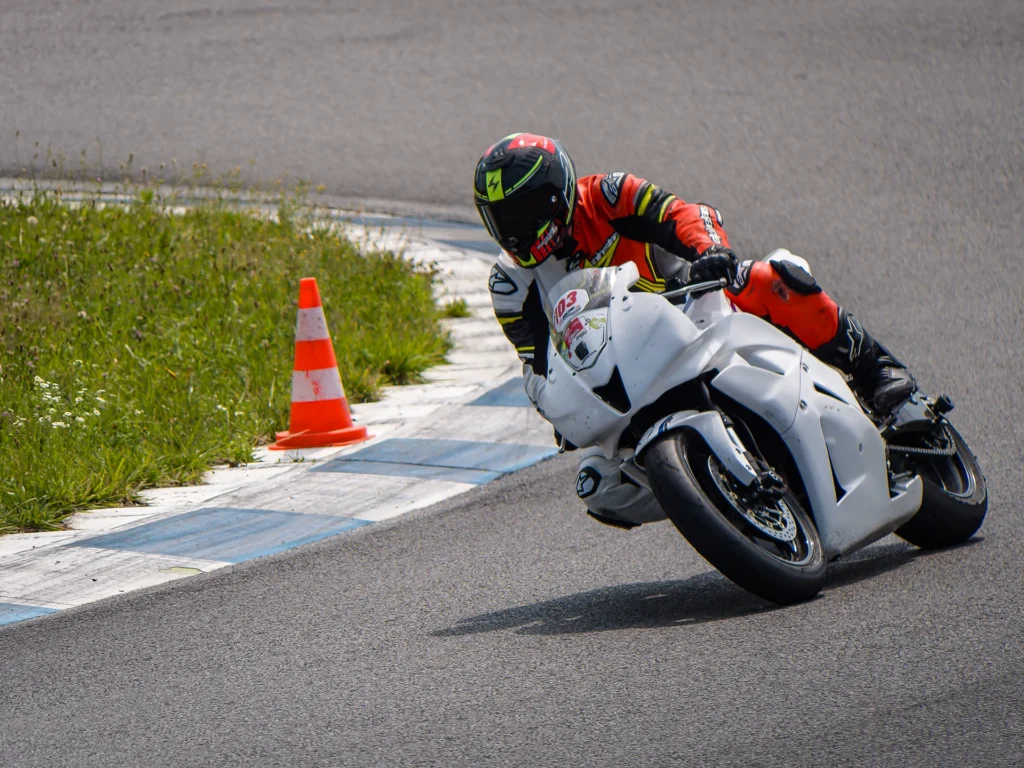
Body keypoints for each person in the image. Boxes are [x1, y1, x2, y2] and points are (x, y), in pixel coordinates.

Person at [475, 133, 916, 527]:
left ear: (559, 195)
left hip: (688, 308)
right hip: (618, 379)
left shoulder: (608, 195)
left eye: (525, 214)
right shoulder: (510, 285)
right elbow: (535, 363)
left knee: (769, 279)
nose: (516, 234)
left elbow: (682, 213)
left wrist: (711, 250)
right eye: (502, 221)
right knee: (599, 485)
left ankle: (877, 371)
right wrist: (557, 409)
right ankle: (707, 495)